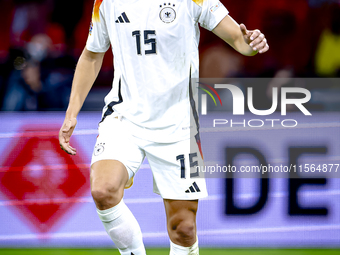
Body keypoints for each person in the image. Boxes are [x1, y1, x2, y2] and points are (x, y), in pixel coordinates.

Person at [59, 0, 269, 254]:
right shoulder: (106, 2)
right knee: (103, 190)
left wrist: (252, 43)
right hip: (124, 118)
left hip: (179, 125)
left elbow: (238, 38)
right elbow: (92, 54)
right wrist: (72, 113)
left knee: (184, 229)